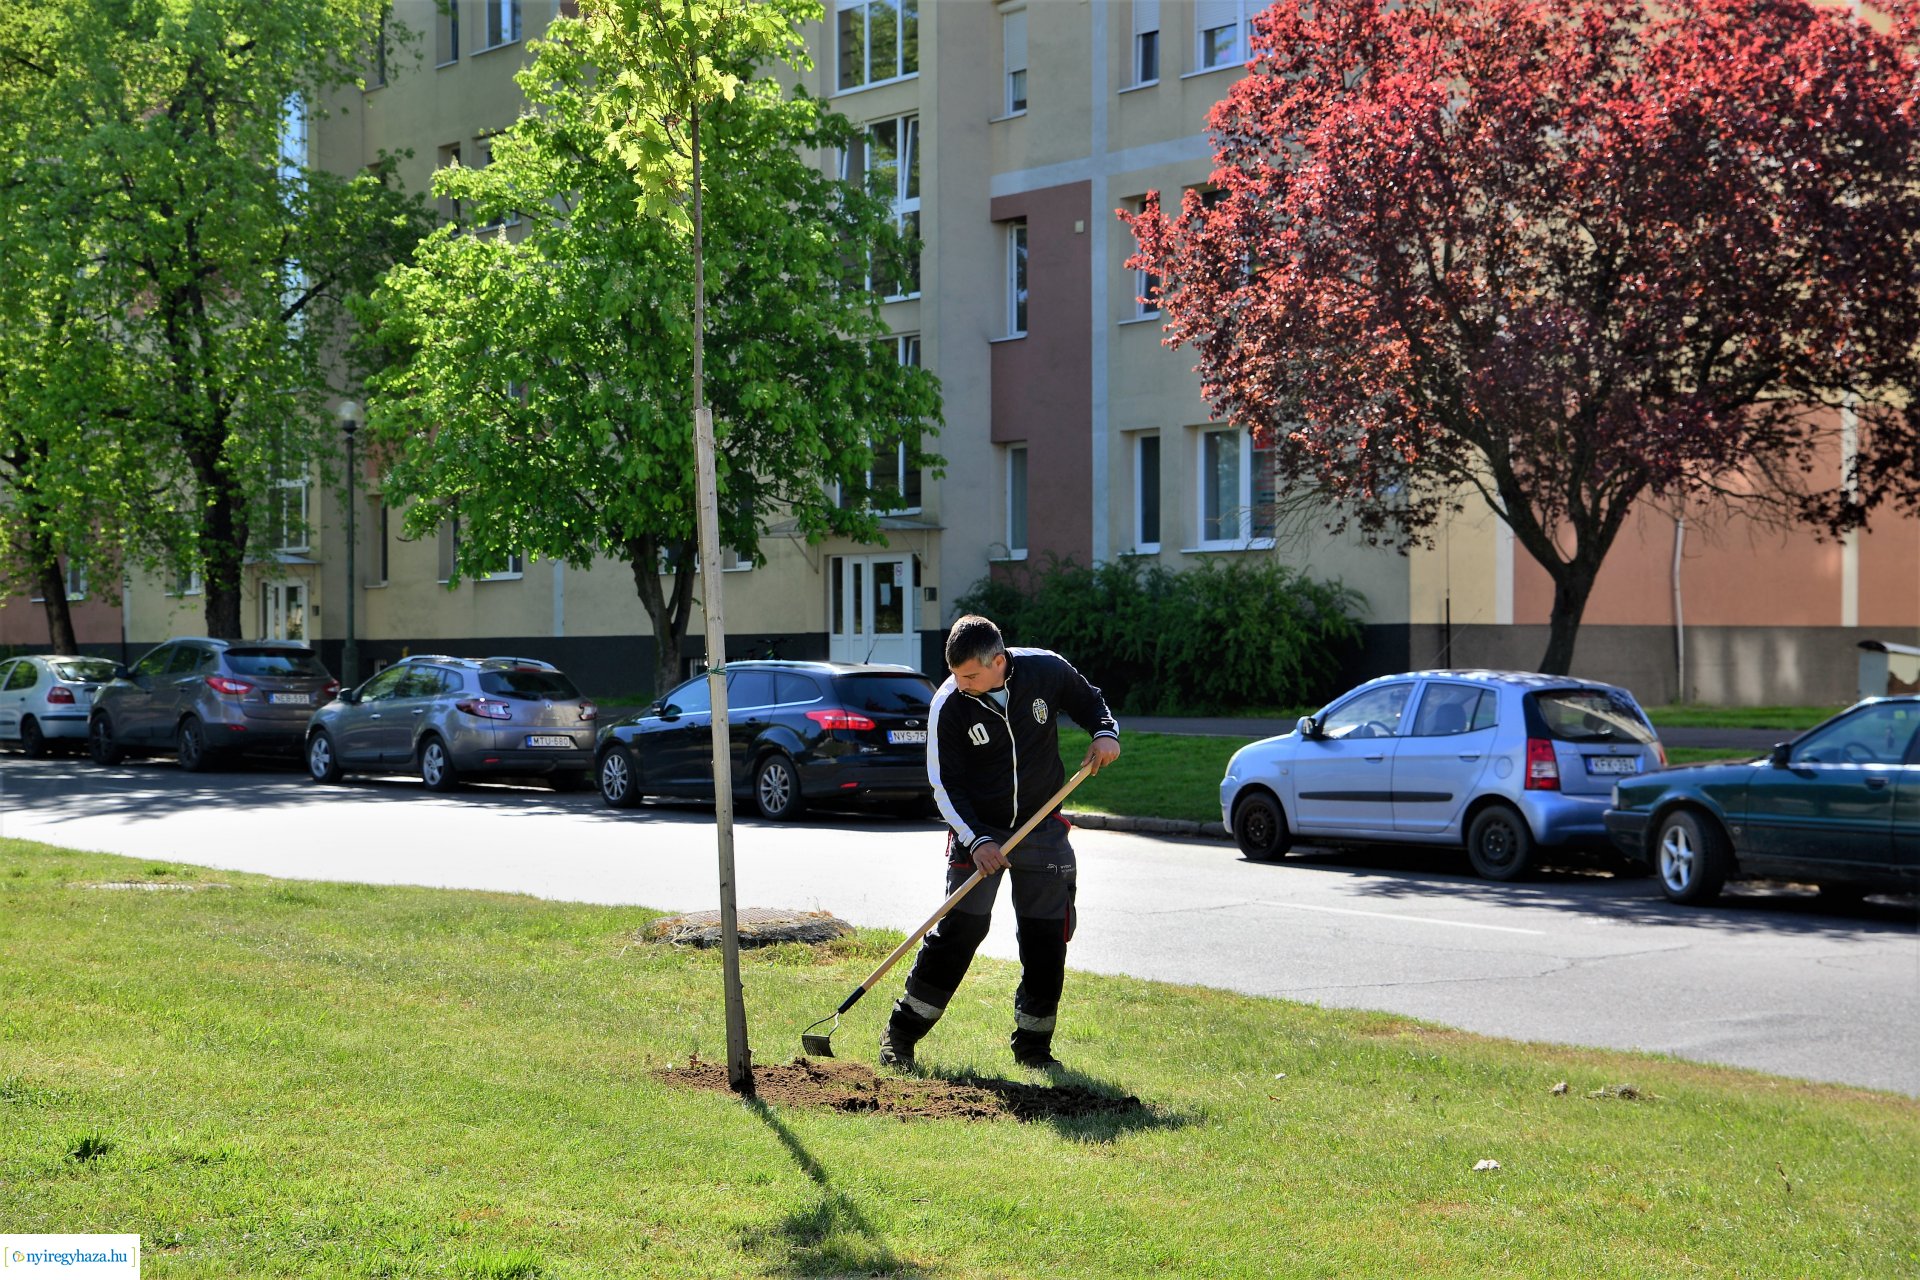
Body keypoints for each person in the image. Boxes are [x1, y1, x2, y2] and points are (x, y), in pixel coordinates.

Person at [881, 615, 1121, 1071]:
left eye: (970, 675)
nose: (960, 683)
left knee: (1047, 936)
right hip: (979, 831)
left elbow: (1089, 701)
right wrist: (977, 840)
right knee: (960, 930)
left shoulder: (1045, 670)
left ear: (998, 661)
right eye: (954, 674)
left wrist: (1104, 733)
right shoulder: (949, 702)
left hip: (1042, 825)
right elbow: (943, 783)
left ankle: (1033, 1048)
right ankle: (900, 1035)